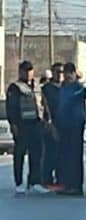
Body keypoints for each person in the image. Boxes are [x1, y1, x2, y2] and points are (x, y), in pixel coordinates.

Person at [6, 61, 50, 194]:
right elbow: (11, 108)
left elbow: (43, 104)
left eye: (30, 70)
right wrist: (13, 124)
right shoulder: (15, 88)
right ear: (20, 72)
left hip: (36, 124)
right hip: (22, 125)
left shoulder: (37, 87)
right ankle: (19, 183)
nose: (28, 73)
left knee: (37, 153)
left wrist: (47, 120)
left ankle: (34, 181)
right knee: (19, 154)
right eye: (25, 71)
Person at [56, 62, 86, 195]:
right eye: (66, 73)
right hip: (63, 126)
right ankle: (65, 184)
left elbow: (78, 96)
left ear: (75, 74)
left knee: (75, 156)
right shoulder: (62, 88)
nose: (68, 75)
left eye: (71, 73)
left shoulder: (79, 88)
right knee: (64, 156)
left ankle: (76, 186)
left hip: (75, 125)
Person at [41, 63, 64, 188]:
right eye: (57, 72)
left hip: (64, 125)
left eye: (61, 72)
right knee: (50, 153)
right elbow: (45, 107)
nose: (59, 74)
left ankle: (60, 179)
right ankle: (47, 179)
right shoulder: (47, 88)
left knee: (62, 154)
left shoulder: (66, 87)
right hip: (50, 124)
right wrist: (49, 123)